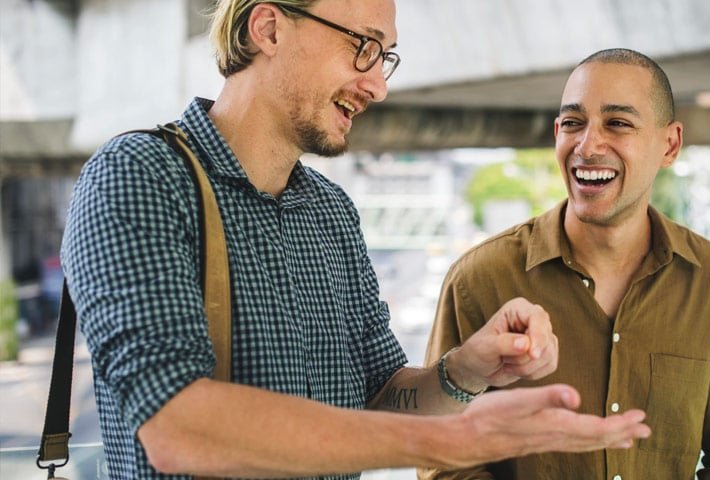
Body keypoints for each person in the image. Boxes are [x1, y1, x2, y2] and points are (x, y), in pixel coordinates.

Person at [60, 2, 652, 479]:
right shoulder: (138, 176)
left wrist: (466, 371)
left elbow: (379, 392)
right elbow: (175, 426)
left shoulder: (330, 211)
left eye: (384, 58)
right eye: (362, 46)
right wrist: (450, 439)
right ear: (268, 27)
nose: (378, 85)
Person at [420, 48, 710, 480]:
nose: (588, 146)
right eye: (573, 123)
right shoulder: (479, 278)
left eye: (618, 123)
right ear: (556, 133)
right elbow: (440, 450)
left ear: (670, 144)